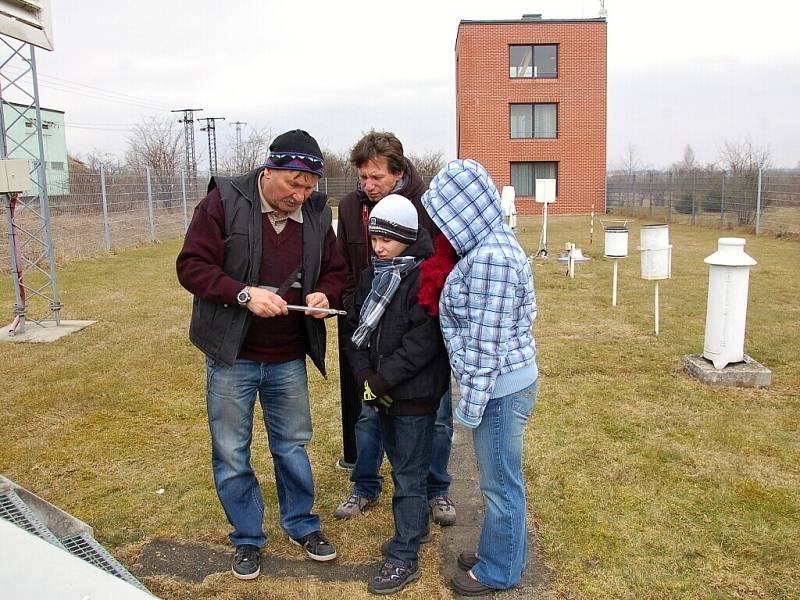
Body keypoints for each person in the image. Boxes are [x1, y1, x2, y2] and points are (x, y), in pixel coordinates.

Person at [176, 129, 348, 580]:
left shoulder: (314, 211)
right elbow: (191, 266)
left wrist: (322, 294)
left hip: (288, 354)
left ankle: (301, 524)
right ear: (268, 171)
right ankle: (248, 538)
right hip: (232, 354)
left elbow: (335, 271)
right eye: (294, 184)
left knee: (292, 445)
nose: (302, 195)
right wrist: (242, 294)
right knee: (232, 450)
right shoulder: (223, 201)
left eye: (309, 186)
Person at [421, 159, 540, 595]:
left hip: (500, 390)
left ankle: (498, 571)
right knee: (502, 481)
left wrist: (469, 408)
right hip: (505, 383)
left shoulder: (491, 259)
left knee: (500, 485)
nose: (439, 226)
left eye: (444, 214)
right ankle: (502, 551)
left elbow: (486, 345)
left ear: (462, 210)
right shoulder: (491, 244)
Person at [334, 130, 457, 527]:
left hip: (420, 333)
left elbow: (442, 266)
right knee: (369, 415)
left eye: (375, 177)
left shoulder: (429, 203)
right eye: (362, 178)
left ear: (398, 173)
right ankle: (365, 485)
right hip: (371, 334)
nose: (367, 186)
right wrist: (357, 311)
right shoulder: (352, 207)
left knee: (435, 418)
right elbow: (347, 266)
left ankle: (435, 489)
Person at [344, 195, 451, 594]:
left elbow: (422, 343)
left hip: (414, 398)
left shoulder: (425, 278)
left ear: (407, 237)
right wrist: (365, 377)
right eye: (374, 238)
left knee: (408, 477)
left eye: (387, 239)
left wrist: (382, 381)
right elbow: (355, 331)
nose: (378, 247)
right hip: (381, 393)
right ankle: (415, 530)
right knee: (400, 466)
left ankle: (404, 556)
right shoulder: (374, 276)